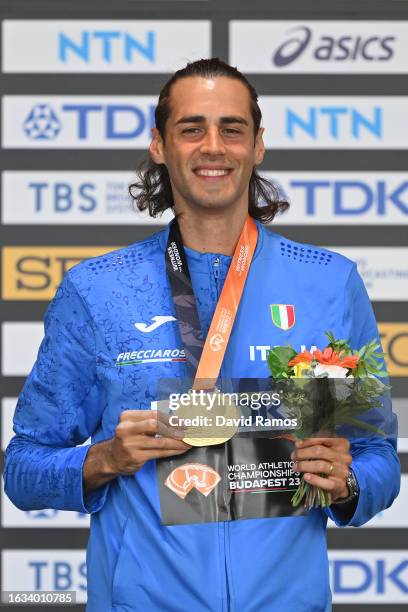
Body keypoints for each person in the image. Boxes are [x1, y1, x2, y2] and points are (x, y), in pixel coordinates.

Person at [4, 58, 400, 612]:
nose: (213, 146)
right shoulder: (96, 289)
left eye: (231, 129)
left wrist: (349, 483)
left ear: (257, 145)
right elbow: (23, 468)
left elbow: (378, 455)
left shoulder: (328, 282)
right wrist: (106, 460)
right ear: (159, 145)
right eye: (192, 128)